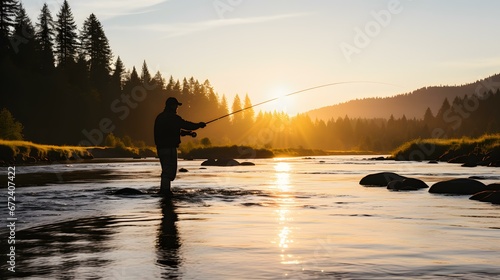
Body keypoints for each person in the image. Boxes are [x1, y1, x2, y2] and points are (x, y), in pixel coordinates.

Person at [154, 97, 206, 196]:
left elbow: (170, 130)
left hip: (160, 148)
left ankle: (164, 190)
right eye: (176, 105)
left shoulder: (160, 117)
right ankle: (165, 191)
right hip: (170, 148)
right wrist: (199, 125)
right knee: (170, 171)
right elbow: (185, 124)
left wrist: (186, 133)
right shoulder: (173, 117)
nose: (177, 107)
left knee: (166, 170)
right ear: (172, 106)